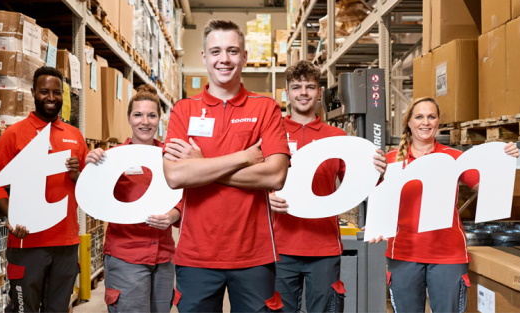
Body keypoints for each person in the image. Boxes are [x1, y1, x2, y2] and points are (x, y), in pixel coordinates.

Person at [162, 19, 290, 313]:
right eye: (216, 51)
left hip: (254, 255)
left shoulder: (265, 107)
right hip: (196, 256)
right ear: (204, 57)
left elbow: (275, 175)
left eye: (233, 51)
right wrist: (244, 157)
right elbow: (175, 175)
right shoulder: (184, 110)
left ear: (244, 57)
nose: (225, 59)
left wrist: (201, 167)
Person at [368, 97, 520, 313]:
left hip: (447, 254)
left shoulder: (454, 157)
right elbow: (378, 202)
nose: (426, 122)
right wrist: (374, 226)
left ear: (438, 122)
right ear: (408, 122)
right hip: (403, 254)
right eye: (419, 117)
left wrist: (505, 161)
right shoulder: (391, 160)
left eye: (431, 117)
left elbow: (491, 192)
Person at [266, 61, 386, 312]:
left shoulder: (337, 138)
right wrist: (266, 196)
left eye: (310, 87)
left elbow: (357, 182)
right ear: (287, 92)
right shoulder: (272, 132)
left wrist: (377, 172)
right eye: (296, 87)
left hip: (323, 247)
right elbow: (255, 178)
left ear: (319, 92)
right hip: (280, 245)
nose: (303, 93)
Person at [0, 66, 89, 313]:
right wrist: (13, 215)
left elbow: (88, 187)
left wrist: (77, 175)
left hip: (66, 242)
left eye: (56, 92)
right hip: (27, 242)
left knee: (58, 308)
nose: (51, 98)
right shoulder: (14, 135)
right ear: (33, 92)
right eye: (44, 91)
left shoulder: (75, 137)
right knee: (25, 309)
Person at [85, 84, 182, 313]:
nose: (144, 122)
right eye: (138, 115)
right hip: (126, 255)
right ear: (129, 118)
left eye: (151, 115)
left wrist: (172, 216)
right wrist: (91, 166)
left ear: (159, 119)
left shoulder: (169, 157)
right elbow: (94, 196)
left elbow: (184, 195)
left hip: (163, 256)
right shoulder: (113, 158)